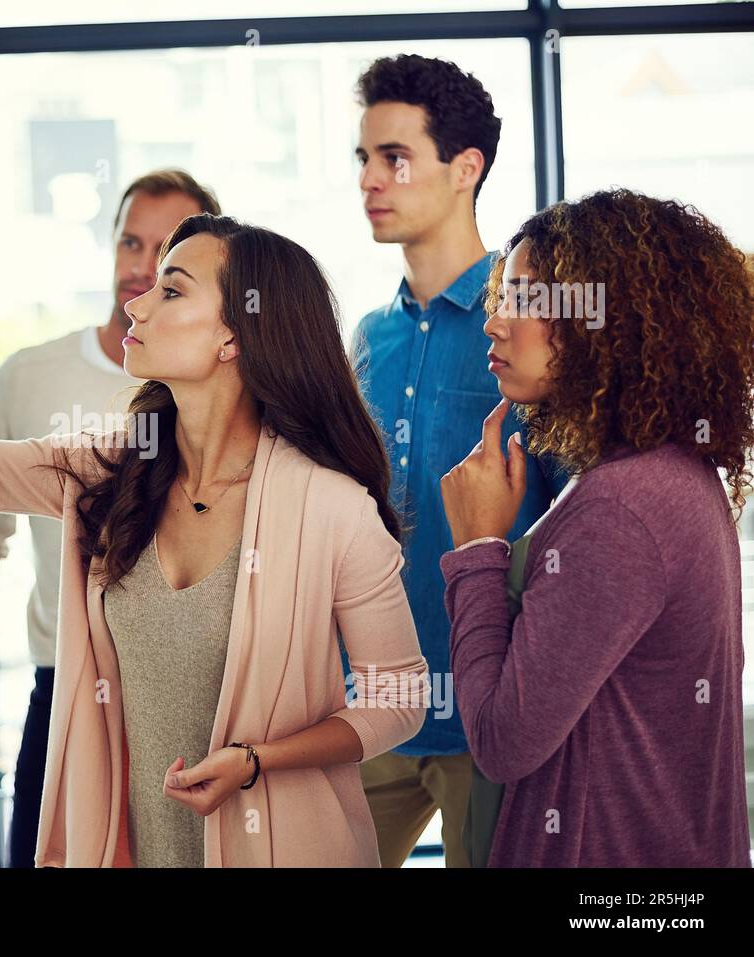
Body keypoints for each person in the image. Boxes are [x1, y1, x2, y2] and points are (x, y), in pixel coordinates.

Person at [0, 213, 429, 866]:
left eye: (171, 290)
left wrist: (258, 761)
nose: (136, 306)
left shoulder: (332, 510)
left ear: (234, 336)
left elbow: (398, 698)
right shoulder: (108, 472)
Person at [439, 188, 754, 867]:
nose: (495, 321)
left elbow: (500, 739)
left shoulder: (621, 507)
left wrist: (477, 548)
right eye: (503, 296)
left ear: (613, 321)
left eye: (525, 300)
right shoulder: (665, 473)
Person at [0, 169, 220, 868]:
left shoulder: (218, 387)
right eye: (129, 241)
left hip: (191, 700)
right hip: (60, 688)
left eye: (167, 249)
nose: (139, 265)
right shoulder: (29, 376)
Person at [349, 53, 565, 867]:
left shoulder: (528, 328)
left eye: (394, 158)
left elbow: (568, 522)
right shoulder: (370, 338)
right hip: (372, 707)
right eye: (363, 159)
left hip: (490, 718)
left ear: (466, 168)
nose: (370, 179)